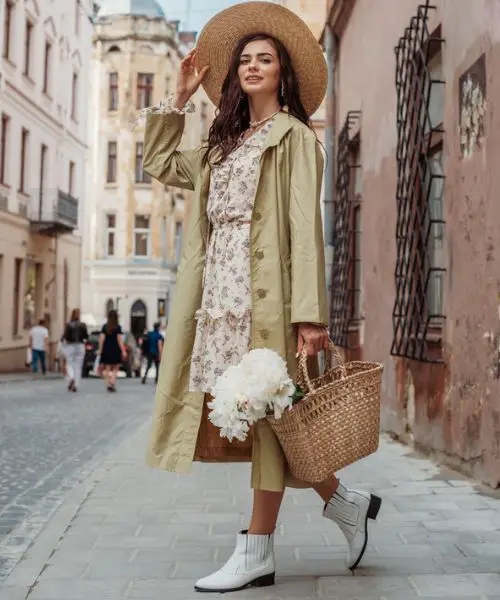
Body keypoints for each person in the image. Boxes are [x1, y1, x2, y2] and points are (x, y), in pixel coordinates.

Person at [141, 2, 381, 593]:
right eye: (245, 60)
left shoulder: (294, 138)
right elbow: (159, 162)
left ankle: (257, 551)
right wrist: (179, 95)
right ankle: (345, 504)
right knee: (270, 412)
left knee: (271, 412)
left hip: (266, 298)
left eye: (264, 59)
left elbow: (305, 226)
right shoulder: (222, 146)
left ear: (282, 73)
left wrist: (308, 315)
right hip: (216, 299)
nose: (252, 66)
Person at [98, 309, 126, 393]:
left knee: (107, 368)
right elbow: (119, 340)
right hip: (115, 349)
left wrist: (100, 349)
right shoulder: (118, 327)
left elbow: (101, 339)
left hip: (106, 349)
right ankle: (112, 382)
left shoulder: (104, 327)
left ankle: (108, 384)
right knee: (115, 368)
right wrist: (123, 350)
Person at [62, 309, 89, 392]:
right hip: (80, 346)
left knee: (69, 364)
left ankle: (71, 377)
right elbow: (86, 337)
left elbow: (65, 336)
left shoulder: (68, 324)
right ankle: (76, 384)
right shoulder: (83, 325)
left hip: (70, 346)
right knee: (78, 366)